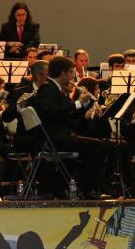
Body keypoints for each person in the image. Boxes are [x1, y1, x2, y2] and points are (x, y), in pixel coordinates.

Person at [31, 56, 105, 198]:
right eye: (71, 72)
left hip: (60, 136)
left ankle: (81, 188)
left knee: (97, 145)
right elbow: (53, 112)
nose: (73, 75)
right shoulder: (47, 89)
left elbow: (70, 119)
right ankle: (86, 189)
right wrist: (78, 103)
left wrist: (85, 110)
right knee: (96, 146)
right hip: (53, 139)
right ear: (62, 73)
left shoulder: (55, 90)